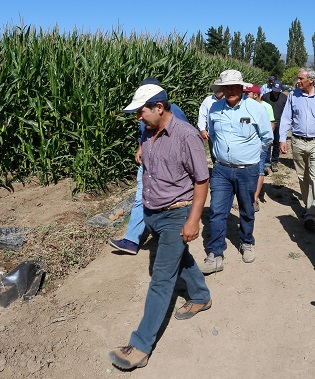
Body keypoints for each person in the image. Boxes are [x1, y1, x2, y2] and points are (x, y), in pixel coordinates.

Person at [108, 83, 212, 369]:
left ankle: (140, 346)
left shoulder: (186, 136)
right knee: (180, 258)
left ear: (159, 107)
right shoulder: (148, 133)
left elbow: (201, 181)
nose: (138, 118)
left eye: (141, 112)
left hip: (177, 215)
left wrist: (193, 219)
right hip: (155, 214)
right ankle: (201, 296)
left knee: (161, 279)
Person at [201, 70, 273, 274]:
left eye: (234, 87)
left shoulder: (254, 108)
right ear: (221, 90)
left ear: (242, 89)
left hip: (247, 170)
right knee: (216, 211)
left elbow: (267, 138)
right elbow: (212, 134)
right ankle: (215, 253)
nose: (230, 91)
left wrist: (251, 155)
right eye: (226, 88)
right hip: (221, 170)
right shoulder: (214, 109)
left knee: (247, 209)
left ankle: (247, 242)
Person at [108, 78, 189, 255]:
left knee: (167, 200)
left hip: (167, 167)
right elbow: (143, 132)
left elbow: (185, 136)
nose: (139, 116)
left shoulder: (173, 111)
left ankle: (171, 237)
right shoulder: (144, 112)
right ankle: (131, 240)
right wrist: (140, 148)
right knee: (141, 197)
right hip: (149, 163)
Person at [279, 68, 315, 231]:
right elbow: (286, 117)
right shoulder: (293, 96)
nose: (297, 81)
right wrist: (283, 138)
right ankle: (307, 203)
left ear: (311, 80)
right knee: (303, 176)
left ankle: (310, 213)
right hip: (298, 141)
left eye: (300, 78)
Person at [243, 83, 275, 212]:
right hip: (247, 145)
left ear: (255, 95)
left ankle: (254, 199)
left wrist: (262, 145)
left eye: (247, 94)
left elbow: (271, 125)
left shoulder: (266, 107)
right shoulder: (244, 106)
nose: (244, 96)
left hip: (261, 144)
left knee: (260, 169)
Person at [261, 80, 288, 173]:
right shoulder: (265, 97)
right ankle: (266, 162)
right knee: (268, 142)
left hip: (280, 123)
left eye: (278, 90)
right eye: (274, 89)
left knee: (277, 143)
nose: (276, 91)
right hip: (267, 123)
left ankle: (275, 161)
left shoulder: (284, 98)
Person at [197, 86, 224, 163]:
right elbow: (202, 115)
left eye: (219, 89)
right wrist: (202, 129)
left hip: (226, 132)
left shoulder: (228, 100)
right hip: (212, 133)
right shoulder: (208, 100)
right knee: (214, 154)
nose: (217, 91)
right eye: (216, 90)